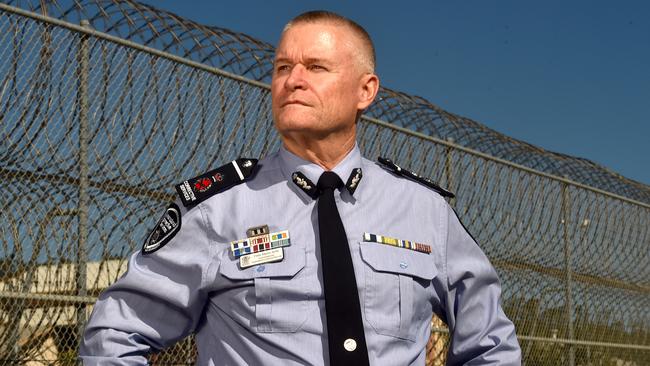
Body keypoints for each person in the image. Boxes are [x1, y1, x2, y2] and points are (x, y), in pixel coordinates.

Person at [79, 10, 521, 365]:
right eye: (283, 67)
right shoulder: (218, 209)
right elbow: (116, 335)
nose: (293, 80)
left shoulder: (425, 211)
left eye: (316, 67)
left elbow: (491, 346)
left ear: (365, 91)